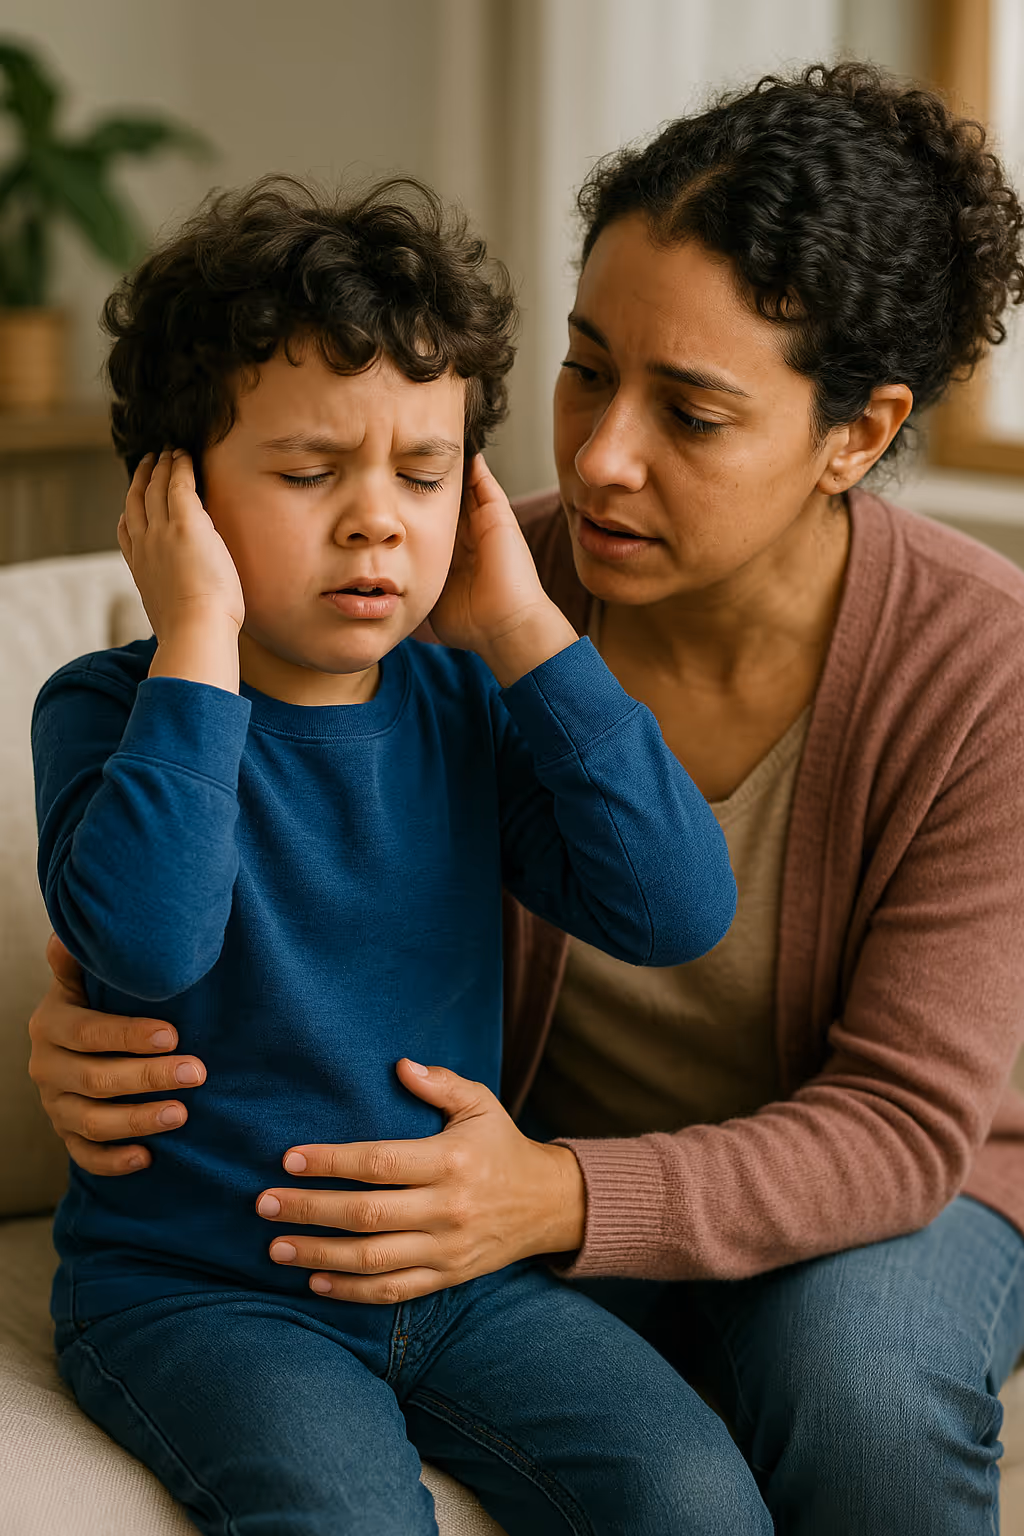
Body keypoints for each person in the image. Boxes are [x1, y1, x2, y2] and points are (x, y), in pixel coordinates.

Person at [28, 62, 1024, 1534]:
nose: (601, 457)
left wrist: (555, 1196)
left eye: (690, 413)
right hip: (351, 1248)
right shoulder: (392, 599)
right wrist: (84, 1021)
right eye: (587, 367)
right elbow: (170, 930)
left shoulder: (968, 666)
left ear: (858, 435)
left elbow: (846, 1075)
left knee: (847, 1400)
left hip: (801, 1189)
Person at [29, 176, 749, 1536]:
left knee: (696, 1496)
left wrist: (527, 631)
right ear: (172, 490)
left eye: (423, 475)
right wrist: (195, 642)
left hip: (461, 1281)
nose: (377, 519)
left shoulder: (466, 709)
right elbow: (153, 938)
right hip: (201, 1291)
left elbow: (675, 906)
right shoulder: (108, 710)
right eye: (311, 474)